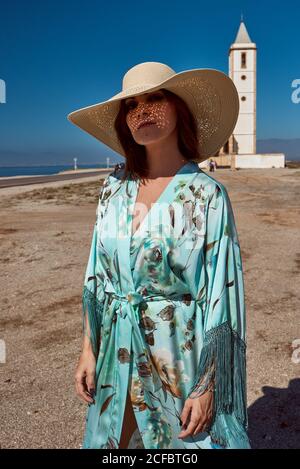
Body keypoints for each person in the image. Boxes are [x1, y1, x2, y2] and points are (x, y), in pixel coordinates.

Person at [67, 61, 251, 449]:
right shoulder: (112, 189)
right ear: (124, 122)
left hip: (178, 355)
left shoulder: (207, 195)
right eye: (132, 106)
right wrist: (88, 349)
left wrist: (207, 385)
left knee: (180, 446)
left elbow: (223, 296)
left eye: (155, 99)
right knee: (114, 442)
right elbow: (96, 276)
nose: (142, 111)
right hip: (115, 347)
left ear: (179, 108)